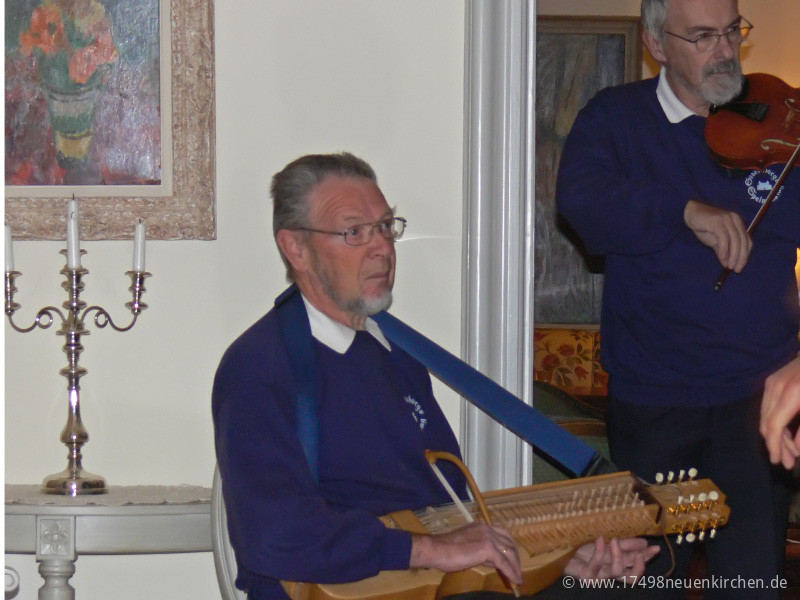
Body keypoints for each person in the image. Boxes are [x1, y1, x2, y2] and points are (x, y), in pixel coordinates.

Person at [212, 152, 659, 600]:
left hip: (433, 583)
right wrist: (429, 550)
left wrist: (558, 559)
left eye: (385, 226)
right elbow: (275, 536)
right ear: (296, 248)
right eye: (355, 232)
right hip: (341, 587)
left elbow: (450, 514)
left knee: (626, 588)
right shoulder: (260, 367)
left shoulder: (396, 353)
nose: (382, 247)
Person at [555, 0, 799, 596]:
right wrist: (682, 210)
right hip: (656, 403)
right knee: (645, 578)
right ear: (657, 43)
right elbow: (583, 202)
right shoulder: (615, 119)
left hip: (760, 403)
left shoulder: (783, 127)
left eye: (732, 30)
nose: (726, 50)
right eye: (703, 36)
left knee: (752, 582)